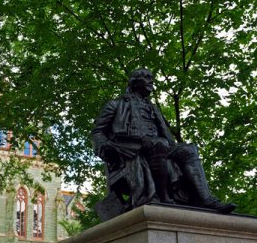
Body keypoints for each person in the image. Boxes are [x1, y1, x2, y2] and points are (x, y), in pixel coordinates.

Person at [91, 68, 235, 221]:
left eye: (151, 77)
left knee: (188, 149)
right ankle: (164, 197)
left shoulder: (153, 108)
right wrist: (107, 148)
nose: (151, 81)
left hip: (160, 146)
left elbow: (165, 134)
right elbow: (97, 132)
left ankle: (206, 199)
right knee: (159, 144)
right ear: (134, 82)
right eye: (146, 77)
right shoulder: (116, 105)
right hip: (130, 147)